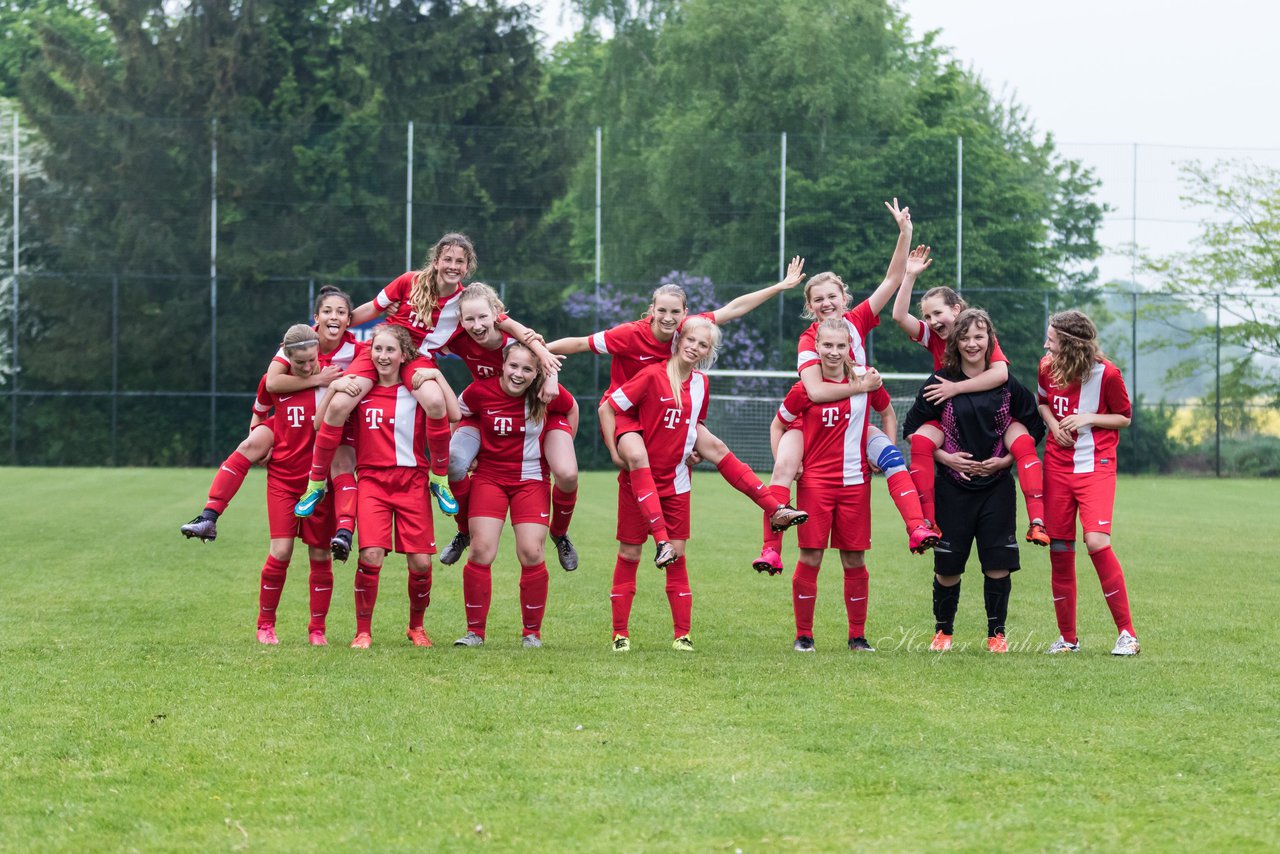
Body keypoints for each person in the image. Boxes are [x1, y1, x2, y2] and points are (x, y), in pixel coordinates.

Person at [294, 233, 560, 520]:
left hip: (417, 358)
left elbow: (514, 328)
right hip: (381, 347)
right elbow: (372, 308)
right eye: (447, 259)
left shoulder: (465, 301)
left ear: (468, 266)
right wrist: (328, 327)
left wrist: (543, 356)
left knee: (435, 403)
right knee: (338, 406)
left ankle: (439, 478)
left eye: (460, 261)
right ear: (436, 261)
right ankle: (316, 483)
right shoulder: (409, 281)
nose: (453, 266)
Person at [756, 200, 936, 574]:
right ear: (810, 306)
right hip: (811, 422)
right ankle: (770, 549)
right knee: (785, 467)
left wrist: (905, 234)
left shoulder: (856, 321)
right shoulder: (809, 341)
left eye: (831, 297)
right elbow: (816, 392)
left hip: (851, 420)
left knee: (890, 455)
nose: (826, 303)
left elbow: (891, 280)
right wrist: (862, 385)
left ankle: (918, 527)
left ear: (844, 299)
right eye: (818, 299)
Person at [603, 316, 803, 652]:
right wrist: (614, 450)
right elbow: (609, 408)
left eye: (703, 345)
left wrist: (692, 450)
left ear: (709, 352)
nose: (695, 348)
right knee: (629, 553)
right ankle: (620, 633)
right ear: (679, 339)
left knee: (678, 557)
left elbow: (693, 427)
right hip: (639, 482)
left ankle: (682, 635)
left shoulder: (701, 385)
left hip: (676, 482)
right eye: (691, 340)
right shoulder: (651, 375)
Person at [771, 319, 931, 652]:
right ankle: (804, 635)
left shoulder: (867, 377)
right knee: (811, 557)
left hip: (856, 483)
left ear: (849, 347)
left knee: (854, 560)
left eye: (840, 345)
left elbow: (887, 412)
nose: (833, 352)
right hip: (816, 483)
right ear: (816, 347)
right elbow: (779, 423)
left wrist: (880, 449)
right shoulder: (805, 388)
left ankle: (857, 636)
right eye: (827, 345)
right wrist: (790, 461)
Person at [903, 309, 1045, 653]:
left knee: (998, 564)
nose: (971, 344)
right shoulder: (939, 382)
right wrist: (945, 457)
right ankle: (943, 633)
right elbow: (911, 430)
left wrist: (1007, 460)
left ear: (989, 340)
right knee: (948, 568)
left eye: (979, 337)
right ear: (955, 342)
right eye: (964, 337)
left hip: (996, 488)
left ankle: (997, 635)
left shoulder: (1007, 384)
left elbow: (1035, 428)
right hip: (952, 488)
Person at [890, 247, 1048, 546]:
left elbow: (1000, 375)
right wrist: (909, 275)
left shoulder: (979, 331)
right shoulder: (934, 336)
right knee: (921, 441)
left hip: (991, 414)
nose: (933, 320)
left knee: (1024, 441)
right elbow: (899, 315)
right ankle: (927, 522)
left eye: (938, 312)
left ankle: (1037, 521)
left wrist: (954, 387)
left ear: (957, 310)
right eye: (927, 315)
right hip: (951, 415)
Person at [180, 286, 357, 544]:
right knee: (250, 444)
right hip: (287, 426)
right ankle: (209, 515)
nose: (334, 316)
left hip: (324, 434)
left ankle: (344, 531)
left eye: (341, 312)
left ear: (349, 319)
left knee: (341, 468)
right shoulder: (298, 342)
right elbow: (270, 386)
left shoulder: (358, 350)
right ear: (316, 318)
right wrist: (318, 379)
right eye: (327, 311)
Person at [432, 283, 581, 572]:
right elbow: (423, 341)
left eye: (482, 318)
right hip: (483, 407)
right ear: (460, 321)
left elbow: (538, 354)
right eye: (469, 319)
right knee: (455, 463)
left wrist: (551, 376)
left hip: (538, 410)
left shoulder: (515, 340)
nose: (476, 325)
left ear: (497, 315)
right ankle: (463, 531)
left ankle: (560, 533)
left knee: (566, 472)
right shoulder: (460, 339)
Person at [449, 341, 576, 649]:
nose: (518, 374)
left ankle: (531, 634)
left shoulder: (546, 395)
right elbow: (457, 414)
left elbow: (571, 410)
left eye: (527, 369)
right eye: (514, 366)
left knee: (531, 552)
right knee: (482, 551)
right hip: (489, 478)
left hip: (531, 480)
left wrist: (560, 440)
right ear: (503, 365)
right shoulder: (480, 391)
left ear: (537, 373)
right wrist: (469, 449)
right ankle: (474, 633)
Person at [1037, 310, 1140, 656]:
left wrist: (1088, 418)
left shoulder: (1107, 373)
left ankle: (1127, 635)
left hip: (1096, 465)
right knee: (1060, 550)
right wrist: (1053, 425)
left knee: (1096, 542)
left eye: (1051, 339)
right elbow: (1042, 404)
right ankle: (1068, 638)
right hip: (1056, 467)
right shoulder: (1045, 367)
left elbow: (1124, 417)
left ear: (1069, 343)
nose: (1046, 344)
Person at [346, 324, 447, 649]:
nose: (383, 356)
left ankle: (416, 627)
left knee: (420, 562)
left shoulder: (417, 390)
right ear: (369, 352)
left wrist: (434, 377)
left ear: (404, 355)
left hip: (413, 481)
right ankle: (363, 631)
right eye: (377, 349)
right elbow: (323, 422)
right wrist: (336, 387)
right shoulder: (361, 389)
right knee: (372, 555)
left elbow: (454, 413)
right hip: (373, 481)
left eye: (390, 350)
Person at [251, 324, 342, 646]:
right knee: (281, 550)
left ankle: (317, 630)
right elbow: (262, 404)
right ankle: (266, 625)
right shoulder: (278, 382)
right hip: (283, 479)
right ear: (286, 357)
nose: (307, 367)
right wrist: (259, 436)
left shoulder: (336, 378)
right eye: (300, 363)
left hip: (320, 481)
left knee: (320, 553)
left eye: (312, 361)